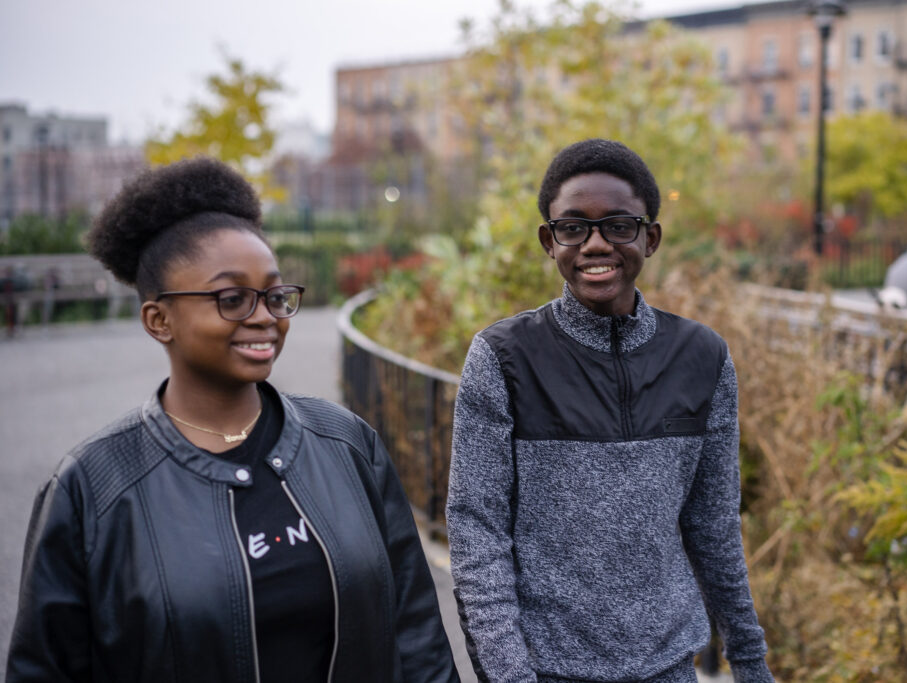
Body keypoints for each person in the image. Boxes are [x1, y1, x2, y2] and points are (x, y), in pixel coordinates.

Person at [6, 158, 458, 682]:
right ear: (159, 320)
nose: (264, 315)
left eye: (273, 294)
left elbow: (416, 631)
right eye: (232, 298)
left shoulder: (346, 442)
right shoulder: (93, 488)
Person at [446, 139, 773, 683]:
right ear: (550, 242)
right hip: (544, 673)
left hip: (670, 669)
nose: (596, 244)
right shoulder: (503, 357)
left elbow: (712, 524)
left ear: (651, 237)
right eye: (574, 227)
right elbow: (477, 536)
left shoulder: (702, 357)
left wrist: (749, 660)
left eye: (618, 225)